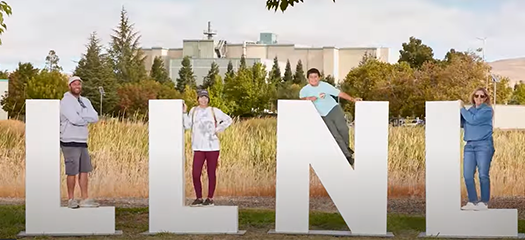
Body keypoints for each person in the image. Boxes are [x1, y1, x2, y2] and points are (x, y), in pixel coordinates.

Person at [299, 68, 361, 166]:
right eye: (311, 77)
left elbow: (339, 93)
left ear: (319, 78)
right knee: (335, 135)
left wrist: (353, 99)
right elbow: (300, 101)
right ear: (308, 79)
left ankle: (346, 147)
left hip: (333, 109)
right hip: (322, 115)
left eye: (315, 77)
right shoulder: (305, 90)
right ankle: (347, 156)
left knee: (343, 129)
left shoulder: (325, 86)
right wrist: (308, 98)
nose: (313, 79)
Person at [183, 89, 233, 207]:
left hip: (212, 147)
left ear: (208, 99)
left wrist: (217, 129)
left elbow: (228, 120)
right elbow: (187, 125)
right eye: (201, 97)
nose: (203, 100)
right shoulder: (193, 111)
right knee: (196, 173)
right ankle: (198, 198)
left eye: (205, 97)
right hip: (198, 147)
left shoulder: (214, 111)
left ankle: (210, 199)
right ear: (198, 99)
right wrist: (184, 113)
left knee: (211, 173)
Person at [60, 76, 99, 209]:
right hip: (69, 140)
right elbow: (74, 119)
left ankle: (84, 198)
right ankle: (71, 199)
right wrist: (84, 118)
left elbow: (95, 117)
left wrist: (82, 116)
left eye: (79, 84)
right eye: (74, 84)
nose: (77, 86)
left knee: (84, 170)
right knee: (72, 171)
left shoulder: (85, 101)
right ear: (69, 86)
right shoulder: (65, 101)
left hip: (82, 140)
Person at [460, 87, 495, 211]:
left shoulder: (487, 110)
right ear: (473, 97)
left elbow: (472, 120)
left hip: (483, 145)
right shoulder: (470, 110)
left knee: (483, 175)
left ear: (486, 98)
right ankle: (472, 201)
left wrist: (461, 109)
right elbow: (463, 123)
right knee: (467, 175)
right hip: (469, 145)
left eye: (482, 96)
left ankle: (484, 202)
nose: (479, 98)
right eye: (476, 96)